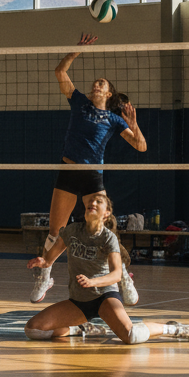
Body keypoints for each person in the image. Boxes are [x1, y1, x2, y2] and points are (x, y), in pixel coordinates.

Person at [30, 33, 146, 307]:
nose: (97, 83)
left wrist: (134, 122)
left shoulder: (115, 119)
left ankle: (123, 277)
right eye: (96, 81)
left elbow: (141, 146)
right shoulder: (79, 102)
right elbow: (60, 71)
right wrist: (75, 51)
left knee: (105, 231)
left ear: (108, 94)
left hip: (93, 176)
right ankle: (45, 274)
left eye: (102, 84)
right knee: (56, 231)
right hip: (68, 172)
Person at [24, 191, 189, 344]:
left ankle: (174, 329)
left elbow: (117, 274)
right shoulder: (72, 231)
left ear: (106, 213)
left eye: (99, 201)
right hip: (79, 301)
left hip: (104, 296)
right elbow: (49, 259)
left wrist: (93, 281)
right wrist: (42, 262)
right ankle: (79, 328)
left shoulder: (108, 238)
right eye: (90, 201)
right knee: (33, 330)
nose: (92, 203)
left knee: (130, 336)